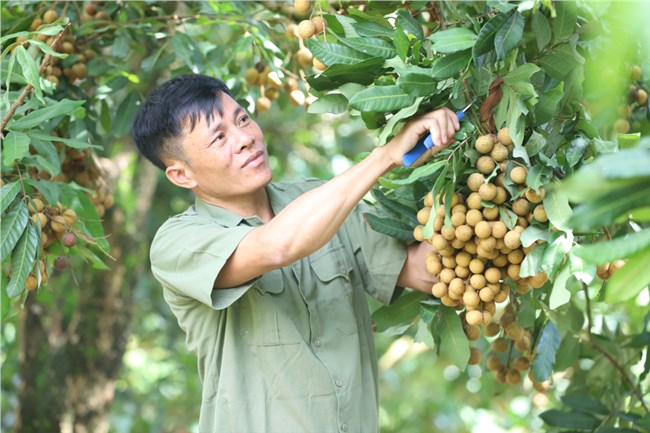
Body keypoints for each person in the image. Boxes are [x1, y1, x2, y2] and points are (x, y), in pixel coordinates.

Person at [131, 73, 460, 433]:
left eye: (242, 119)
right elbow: (277, 246)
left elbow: (425, 272)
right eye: (219, 137)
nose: (245, 139)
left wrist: (466, 173)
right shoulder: (178, 241)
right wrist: (386, 156)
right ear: (182, 175)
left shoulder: (319, 198)